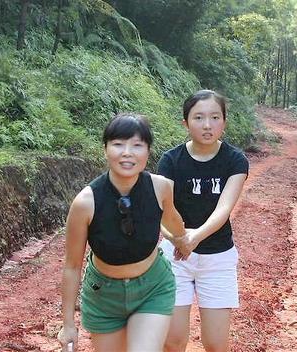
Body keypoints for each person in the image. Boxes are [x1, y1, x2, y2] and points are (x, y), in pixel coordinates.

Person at [57, 113, 186, 351]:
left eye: (137, 145)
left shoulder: (161, 188)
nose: (127, 152)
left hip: (153, 287)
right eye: (118, 144)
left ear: (148, 152)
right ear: (105, 149)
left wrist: (182, 239)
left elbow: (173, 220)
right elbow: (72, 265)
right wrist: (67, 324)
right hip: (104, 296)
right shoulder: (85, 202)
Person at [158, 90, 249, 352]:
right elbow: (162, 211)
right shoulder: (171, 161)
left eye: (214, 117)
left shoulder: (234, 161)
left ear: (224, 122)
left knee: (216, 344)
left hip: (218, 259)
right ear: (185, 123)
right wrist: (175, 238)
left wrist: (193, 238)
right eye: (198, 117)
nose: (207, 125)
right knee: (173, 342)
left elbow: (223, 210)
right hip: (175, 257)